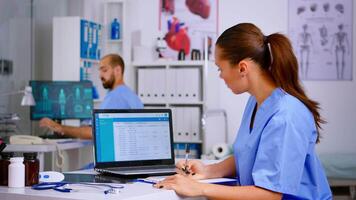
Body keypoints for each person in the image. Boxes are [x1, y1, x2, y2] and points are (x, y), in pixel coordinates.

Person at [154, 23, 332, 199]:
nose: (220, 75)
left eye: (220, 68)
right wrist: (209, 170)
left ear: (242, 68)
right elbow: (250, 154)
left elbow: (270, 194)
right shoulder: (255, 102)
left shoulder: (286, 116)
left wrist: (198, 188)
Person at [39, 54, 143, 139]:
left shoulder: (116, 97)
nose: (100, 75)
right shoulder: (129, 94)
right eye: (100, 71)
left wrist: (59, 127)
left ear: (118, 70)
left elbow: (94, 132)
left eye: (104, 70)